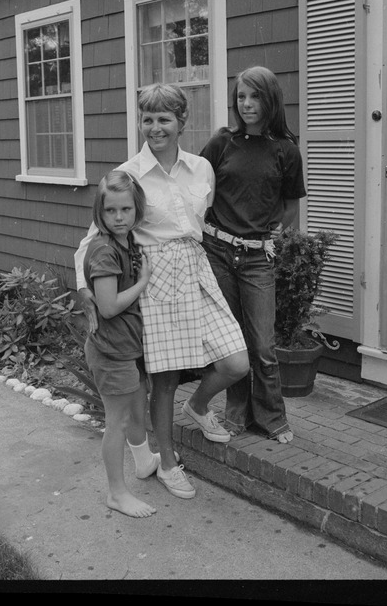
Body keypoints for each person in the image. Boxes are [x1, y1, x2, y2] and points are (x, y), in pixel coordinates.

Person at [75, 84, 249, 500]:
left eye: (164, 119)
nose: (155, 128)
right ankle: (168, 463)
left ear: (181, 123)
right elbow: (93, 237)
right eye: (148, 119)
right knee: (165, 380)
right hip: (154, 279)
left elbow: (202, 223)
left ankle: (200, 406)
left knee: (236, 362)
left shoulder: (201, 168)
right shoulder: (129, 173)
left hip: (196, 268)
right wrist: (85, 288)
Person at [199, 66, 307, 444]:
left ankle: (272, 418)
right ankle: (236, 415)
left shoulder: (286, 151)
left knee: (262, 344)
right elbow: (198, 190)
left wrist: (278, 230)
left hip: (258, 258)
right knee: (232, 343)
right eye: (241, 96)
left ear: (270, 100)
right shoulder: (221, 143)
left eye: (255, 96)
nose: (247, 104)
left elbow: (290, 207)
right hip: (216, 252)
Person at [82, 170, 157, 518]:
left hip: (126, 347)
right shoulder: (104, 250)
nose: (118, 217)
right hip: (111, 351)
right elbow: (108, 306)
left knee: (136, 412)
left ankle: (143, 465)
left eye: (125, 209)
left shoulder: (126, 242)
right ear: (100, 211)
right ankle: (116, 493)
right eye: (110, 211)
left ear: (136, 209)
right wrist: (142, 282)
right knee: (119, 422)